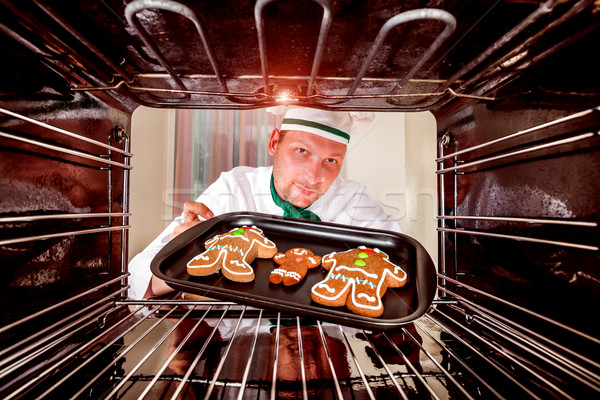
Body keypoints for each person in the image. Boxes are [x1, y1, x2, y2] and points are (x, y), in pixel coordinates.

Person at [128, 106, 402, 299]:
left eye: (331, 161)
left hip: (328, 341)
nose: (314, 177)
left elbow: (404, 269)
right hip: (236, 341)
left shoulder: (355, 201)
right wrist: (186, 255)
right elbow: (137, 279)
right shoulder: (233, 188)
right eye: (302, 151)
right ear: (274, 143)